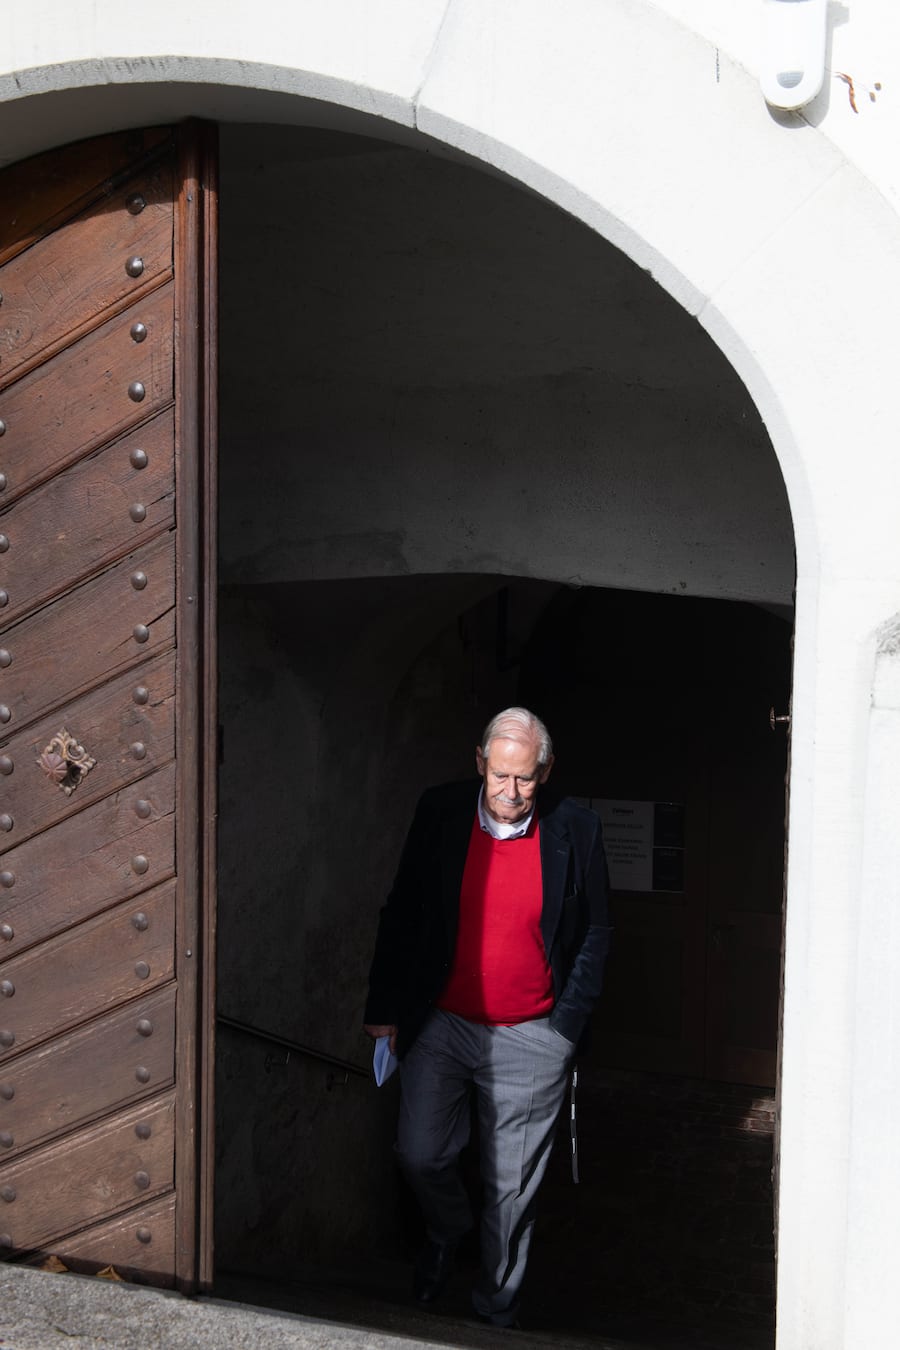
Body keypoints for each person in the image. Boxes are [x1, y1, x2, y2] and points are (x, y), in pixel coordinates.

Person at [363, 706, 611, 1328]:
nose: (511, 793)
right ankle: (448, 1231)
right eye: (500, 777)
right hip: (443, 1021)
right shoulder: (441, 811)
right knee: (419, 1154)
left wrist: (565, 1029)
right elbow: (405, 909)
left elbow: (597, 931)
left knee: (511, 1189)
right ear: (480, 764)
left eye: (525, 779)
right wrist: (384, 1006)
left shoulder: (575, 828)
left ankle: (493, 1313)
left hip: (532, 1032)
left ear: (545, 771)